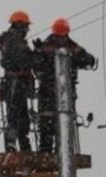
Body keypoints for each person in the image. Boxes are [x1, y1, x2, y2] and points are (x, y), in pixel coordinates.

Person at [33, 17, 97, 153]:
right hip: (51, 94)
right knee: (49, 125)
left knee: (59, 126)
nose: (61, 39)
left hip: (61, 94)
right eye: (59, 36)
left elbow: (87, 59)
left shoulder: (68, 47)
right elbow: (36, 66)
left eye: (63, 36)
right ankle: (48, 152)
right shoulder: (47, 48)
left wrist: (79, 58)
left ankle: (57, 152)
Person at [0, 10, 39, 152]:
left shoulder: (9, 40)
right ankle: (14, 145)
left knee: (19, 117)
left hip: (13, 83)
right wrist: (36, 55)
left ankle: (19, 144)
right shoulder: (15, 41)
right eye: (26, 26)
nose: (27, 30)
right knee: (16, 117)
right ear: (19, 25)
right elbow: (24, 61)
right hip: (15, 83)